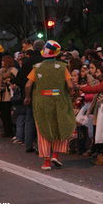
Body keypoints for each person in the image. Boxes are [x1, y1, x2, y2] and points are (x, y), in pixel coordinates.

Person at [24, 40, 76, 170]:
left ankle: (46, 162)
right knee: (60, 125)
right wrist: (71, 93)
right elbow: (70, 86)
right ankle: (56, 155)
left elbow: (28, 85)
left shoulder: (37, 68)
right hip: (59, 100)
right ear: (57, 54)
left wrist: (27, 97)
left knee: (43, 129)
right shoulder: (63, 67)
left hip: (41, 101)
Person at [0, 55, 18, 138]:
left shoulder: (13, 70)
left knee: (10, 114)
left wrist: (10, 84)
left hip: (10, 95)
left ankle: (11, 131)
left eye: (3, 61)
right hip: (1, 95)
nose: (1, 62)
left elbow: (17, 81)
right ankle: (7, 131)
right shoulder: (0, 71)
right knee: (3, 114)